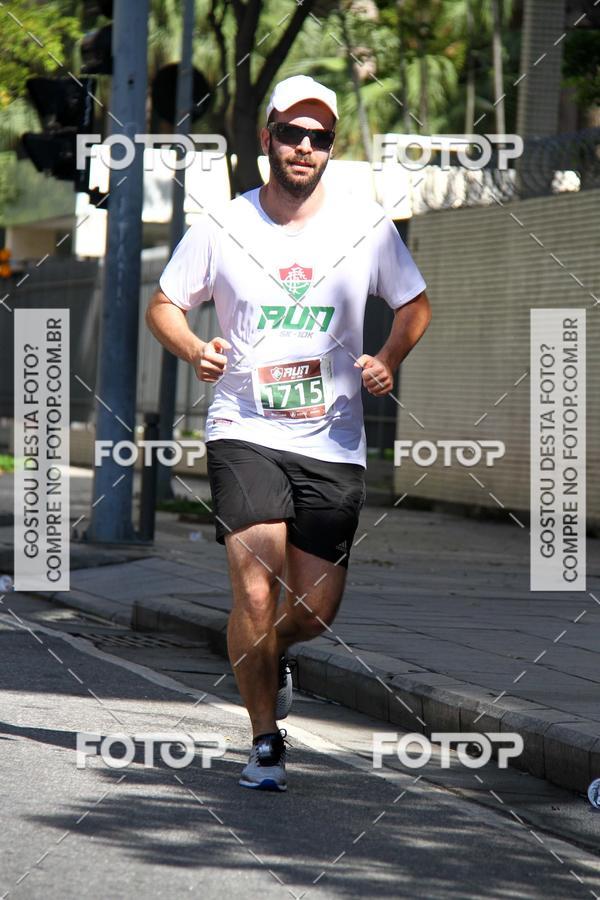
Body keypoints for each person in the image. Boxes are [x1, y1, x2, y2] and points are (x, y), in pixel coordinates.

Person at [146, 75, 432, 792]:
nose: (305, 148)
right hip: (244, 427)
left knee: (313, 611)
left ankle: (269, 659)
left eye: (320, 137)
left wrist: (387, 358)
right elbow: (165, 304)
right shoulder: (224, 224)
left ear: (329, 148)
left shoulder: (365, 224)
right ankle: (264, 739)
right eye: (292, 133)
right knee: (254, 585)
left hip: (332, 440)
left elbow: (415, 303)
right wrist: (194, 349)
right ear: (266, 137)